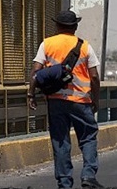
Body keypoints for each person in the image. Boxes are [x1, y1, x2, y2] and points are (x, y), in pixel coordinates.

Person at [27, 10, 104, 189]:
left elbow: (35, 73)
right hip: (81, 101)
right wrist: (96, 99)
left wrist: (31, 95)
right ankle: (88, 176)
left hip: (55, 101)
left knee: (60, 141)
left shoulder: (47, 44)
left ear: (57, 26)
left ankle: (64, 182)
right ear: (75, 27)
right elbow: (94, 77)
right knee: (88, 137)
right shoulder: (85, 46)